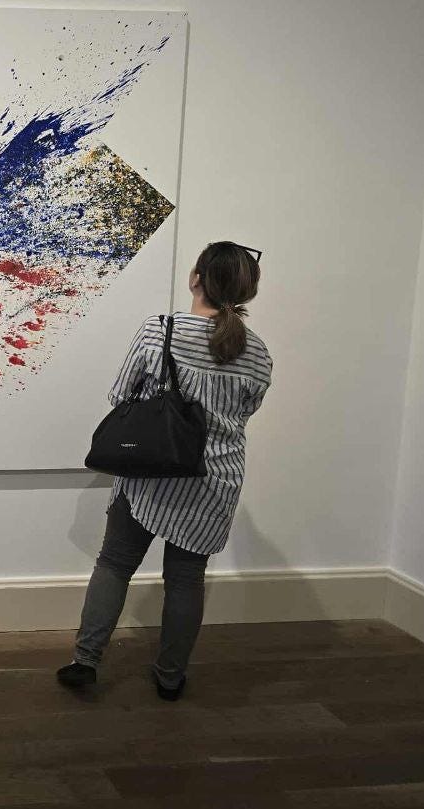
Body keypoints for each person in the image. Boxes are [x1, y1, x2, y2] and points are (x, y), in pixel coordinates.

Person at [57, 241, 272, 701]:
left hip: (150, 472)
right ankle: (171, 677)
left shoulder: (160, 330)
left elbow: (120, 395)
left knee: (115, 563)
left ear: (196, 279)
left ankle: (86, 661)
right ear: (245, 290)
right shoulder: (257, 352)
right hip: (215, 480)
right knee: (186, 578)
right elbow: (245, 412)